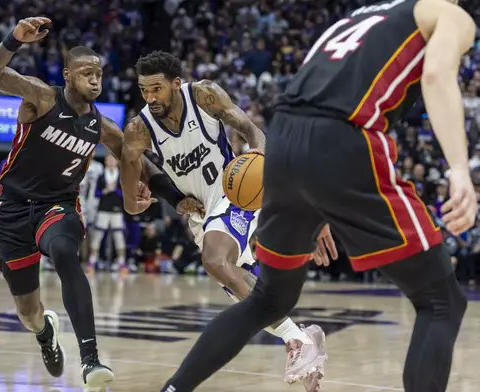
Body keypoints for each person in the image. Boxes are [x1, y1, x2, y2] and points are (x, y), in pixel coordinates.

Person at [158, 1, 476, 391]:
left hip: (284, 142)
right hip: (340, 139)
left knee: (268, 300)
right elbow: (437, 75)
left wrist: (317, 205)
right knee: (440, 300)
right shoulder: (446, 13)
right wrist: (459, 169)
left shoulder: (360, 17)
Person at [0, 17, 190, 388]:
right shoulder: (41, 97)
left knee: (64, 251)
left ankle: (90, 359)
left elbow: (138, 158)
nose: (95, 80)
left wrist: (175, 199)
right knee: (28, 312)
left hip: (57, 207)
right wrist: (14, 39)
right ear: (67, 75)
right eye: (87, 73)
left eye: (99, 74)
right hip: (10, 207)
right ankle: (45, 332)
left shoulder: (101, 126)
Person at [120, 50, 336, 391]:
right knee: (244, 293)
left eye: (157, 89)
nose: (150, 97)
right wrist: (144, 199)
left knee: (214, 260)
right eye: (144, 90)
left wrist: (258, 162)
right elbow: (131, 199)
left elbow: (253, 131)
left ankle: (296, 343)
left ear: (176, 84)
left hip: (232, 190)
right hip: (201, 216)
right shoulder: (138, 129)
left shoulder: (204, 94)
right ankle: (302, 334)